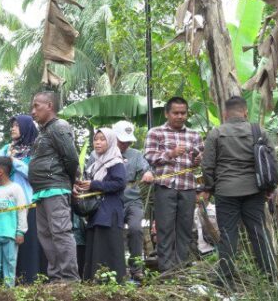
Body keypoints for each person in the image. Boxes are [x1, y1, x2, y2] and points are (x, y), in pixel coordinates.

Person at [200, 96, 277, 284]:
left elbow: (207, 165)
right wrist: (270, 187)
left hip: (226, 191)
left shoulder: (216, 133)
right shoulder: (258, 130)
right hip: (254, 189)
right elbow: (271, 161)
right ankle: (270, 275)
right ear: (245, 112)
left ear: (224, 114)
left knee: (227, 234)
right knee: (258, 231)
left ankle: (225, 278)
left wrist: (209, 188)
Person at [144, 97, 204, 273]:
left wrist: (197, 160)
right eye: (175, 113)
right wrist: (171, 153)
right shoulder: (155, 132)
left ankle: (180, 270)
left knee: (185, 229)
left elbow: (199, 161)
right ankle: (166, 271)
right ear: (167, 113)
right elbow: (149, 156)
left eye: (183, 113)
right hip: (165, 186)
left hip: (188, 186)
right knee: (165, 229)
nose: (180, 116)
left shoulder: (194, 135)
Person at [28, 91, 80, 282]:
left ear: (49, 105)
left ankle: (69, 279)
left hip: (55, 188)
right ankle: (57, 278)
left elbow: (71, 158)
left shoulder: (59, 126)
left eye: (36, 106)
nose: (33, 111)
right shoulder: (44, 131)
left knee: (60, 233)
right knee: (46, 236)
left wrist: (70, 182)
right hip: (41, 191)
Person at [77, 128, 128, 282]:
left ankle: (112, 282)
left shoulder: (115, 162)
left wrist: (94, 184)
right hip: (97, 213)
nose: (97, 142)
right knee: (96, 246)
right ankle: (95, 280)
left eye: (102, 139)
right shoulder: (95, 164)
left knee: (109, 247)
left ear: (111, 142)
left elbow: (119, 183)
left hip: (109, 212)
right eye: (95, 139)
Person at [0, 114, 43, 283]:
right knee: (7, 243)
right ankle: (8, 283)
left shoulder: (35, 149)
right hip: (5, 203)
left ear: (26, 128)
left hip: (27, 203)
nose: (13, 128)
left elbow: (34, 174)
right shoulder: (5, 149)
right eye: (12, 125)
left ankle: (30, 281)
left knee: (27, 244)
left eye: (17, 125)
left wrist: (13, 161)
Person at [110, 120, 152, 281]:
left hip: (133, 201)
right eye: (122, 141)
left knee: (136, 229)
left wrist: (148, 173)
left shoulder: (136, 154)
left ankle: (136, 268)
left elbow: (146, 168)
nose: (125, 144)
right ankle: (117, 268)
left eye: (128, 141)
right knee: (115, 231)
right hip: (112, 200)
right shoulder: (101, 153)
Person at [0, 157, 28, 287]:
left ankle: (9, 294)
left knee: (10, 263)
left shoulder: (16, 189)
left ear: (0, 171)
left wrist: (21, 231)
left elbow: (22, 211)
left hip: (10, 234)